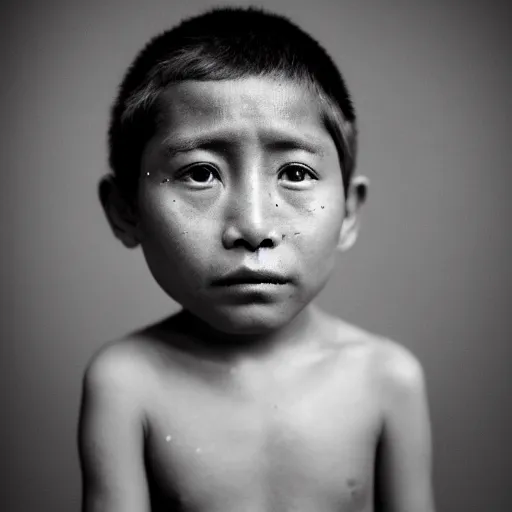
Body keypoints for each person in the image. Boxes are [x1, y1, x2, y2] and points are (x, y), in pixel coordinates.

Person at [78, 6, 435, 512]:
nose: (254, 227)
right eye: (200, 174)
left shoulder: (387, 378)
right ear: (125, 210)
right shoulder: (127, 381)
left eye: (294, 172)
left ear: (349, 211)